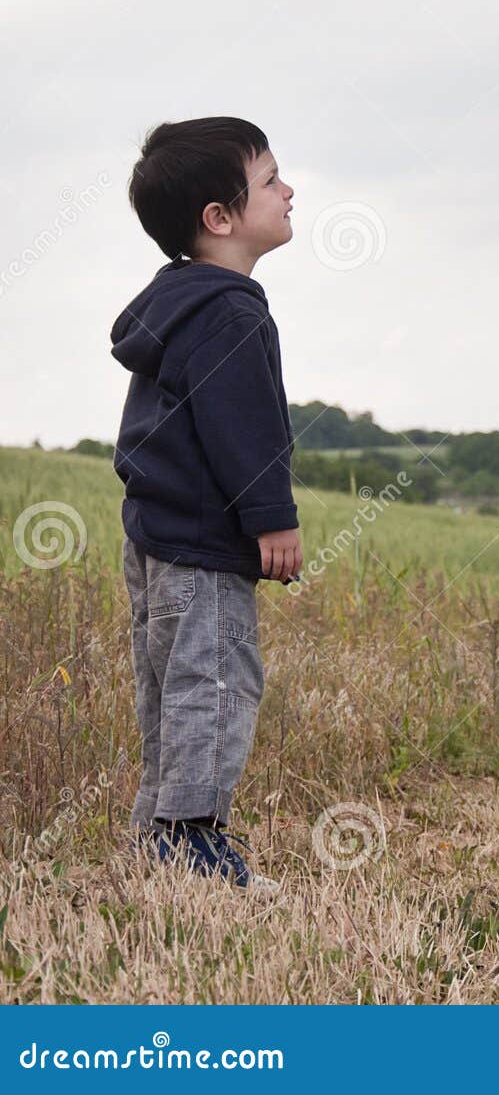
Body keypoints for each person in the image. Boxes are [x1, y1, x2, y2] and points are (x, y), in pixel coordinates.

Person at [110, 117, 302, 893]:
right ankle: (192, 841)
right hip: (202, 540)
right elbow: (243, 430)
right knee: (217, 680)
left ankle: (158, 828)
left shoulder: (177, 305)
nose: (289, 191)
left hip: (155, 535)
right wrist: (274, 519)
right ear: (218, 218)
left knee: (170, 682)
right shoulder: (230, 310)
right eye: (270, 180)